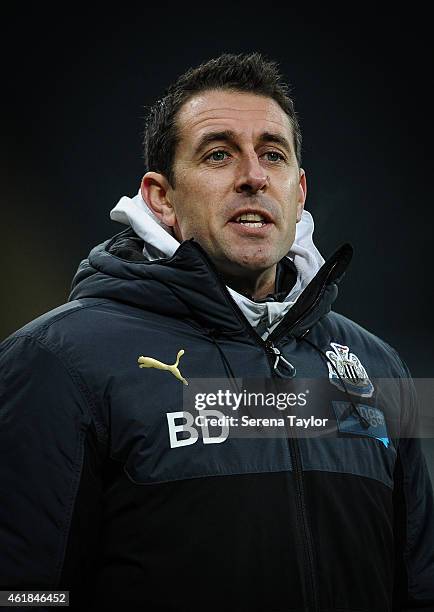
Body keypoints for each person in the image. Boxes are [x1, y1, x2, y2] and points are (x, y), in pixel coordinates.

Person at [0, 52, 433, 611]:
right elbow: (22, 593)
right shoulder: (55, 362)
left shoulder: (378, 367)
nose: (253, 176)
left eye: (272, 154)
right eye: (219, 154)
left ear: (298, 192)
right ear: (162, 199)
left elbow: (418, 585)